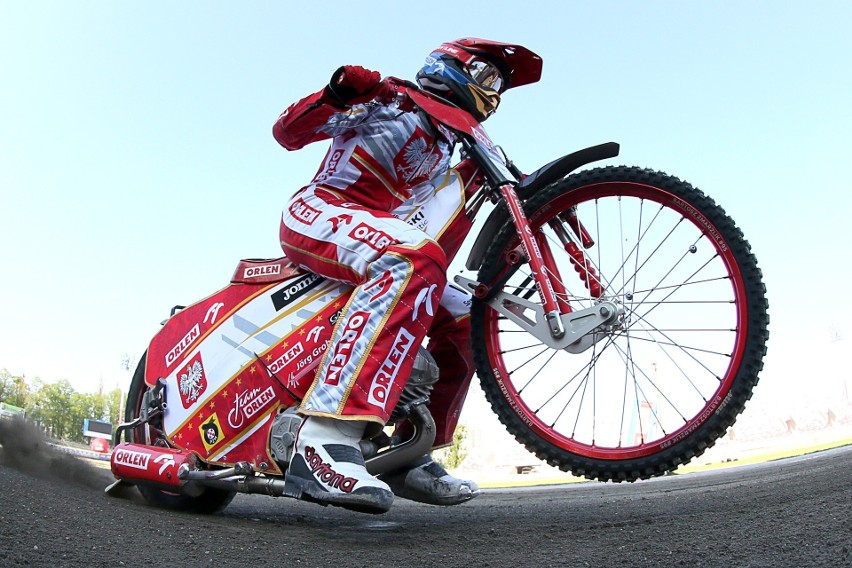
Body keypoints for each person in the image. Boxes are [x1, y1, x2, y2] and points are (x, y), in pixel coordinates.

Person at [273, 38, 542, 513]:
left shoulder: (451, 149)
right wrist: (338, 92)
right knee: (413, 258)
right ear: (451, 65)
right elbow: (288, 133)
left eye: (500, 86)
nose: (493, 91)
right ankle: (322, 436)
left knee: (468, 314)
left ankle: (407, 452)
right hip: (321, 209)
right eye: (486, 75)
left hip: (388, 238)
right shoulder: (387, 101)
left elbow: (444, 233)